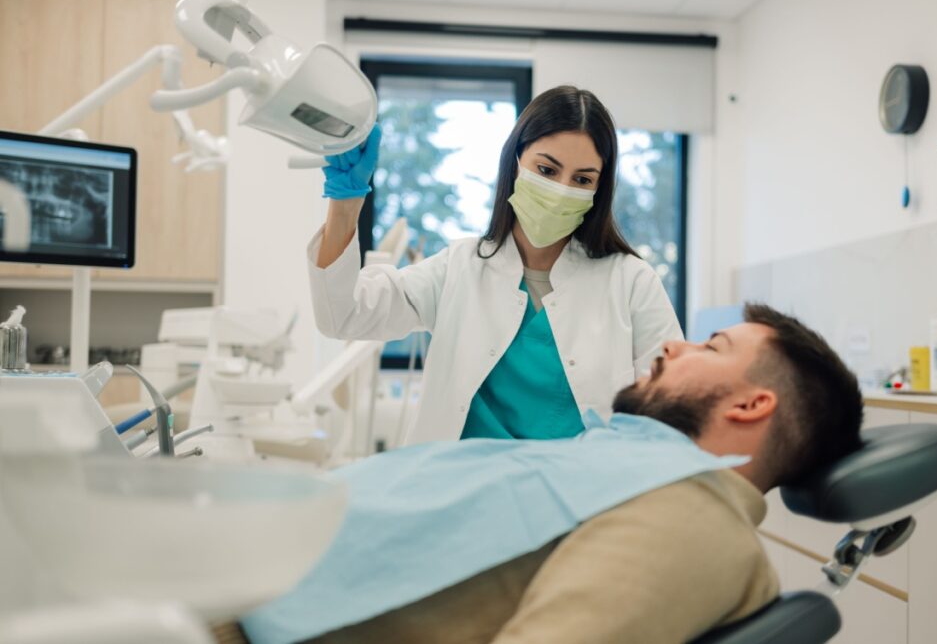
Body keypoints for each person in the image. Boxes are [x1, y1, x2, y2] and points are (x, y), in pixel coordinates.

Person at [237, 304, 864, 644]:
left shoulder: (693, 519)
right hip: (233, 576)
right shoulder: (630, 468)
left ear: (751, 405)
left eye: (712, 347)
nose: (675, 347)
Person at [308, 85, 682, 444]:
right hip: (463, 492)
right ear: (516, 161)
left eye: (582, 179)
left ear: (599, 190)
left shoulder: (631, 282)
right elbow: (342, 316)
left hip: (578, 497)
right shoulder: (459, 268)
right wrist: (346, 202)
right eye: (547, 170)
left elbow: (672, 405)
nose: (561, 190)